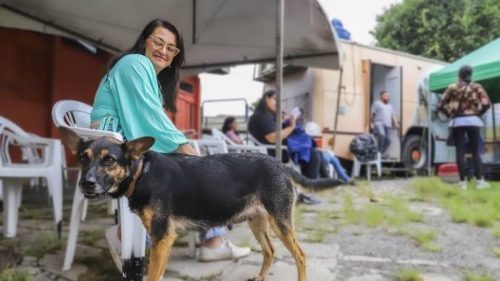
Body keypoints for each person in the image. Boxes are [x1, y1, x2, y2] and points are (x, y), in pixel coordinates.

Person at [90, 19, 250, 265]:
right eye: (158, 42)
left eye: (171, 48)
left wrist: (180, 144)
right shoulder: (135, 63)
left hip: (122, 141)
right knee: (192, 167)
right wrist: (182, 144)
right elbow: (148, 115)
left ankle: (144, 235)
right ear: (145, 41)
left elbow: (147, 115)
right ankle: (210, 241)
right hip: (114, 143)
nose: (164, 51)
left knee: (183, 167)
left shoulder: (145, 73)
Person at [248, 91, 323, 204]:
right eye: (275, 99)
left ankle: (310, 189)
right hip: (273, 152)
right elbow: (272, 138)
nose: (278, 103)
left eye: (280, 101)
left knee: (315, 153)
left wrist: (285, 121)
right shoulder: (262, 116)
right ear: (266, 99)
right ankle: (308, 191)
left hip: (273, 150)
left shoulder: (264, 115)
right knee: (313, 154)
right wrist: (292, 127)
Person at [437, 65, 491, 190]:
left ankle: (462, 182)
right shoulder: (477, 87)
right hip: (474, 121)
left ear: (459, 74)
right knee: (475, 151)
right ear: (471, 75)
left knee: (460, 151)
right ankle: (479, 181)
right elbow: (486, 103)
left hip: (457, 121)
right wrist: (478, 114)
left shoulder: (452, 87)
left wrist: (450, 113)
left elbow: (440, 105)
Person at [371, 90, 400, 155]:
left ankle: (379, 153)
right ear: (381, 96)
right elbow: (373, 114)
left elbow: (393, 115)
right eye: (386, 96)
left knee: (388, 141)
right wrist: (372, 123)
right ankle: (378, 151)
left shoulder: (390, 106)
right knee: (382, 134)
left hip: (387, 126)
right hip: (378, 123)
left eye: (388, 96)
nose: (388, 98)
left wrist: (396, 123)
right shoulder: (377, 103)